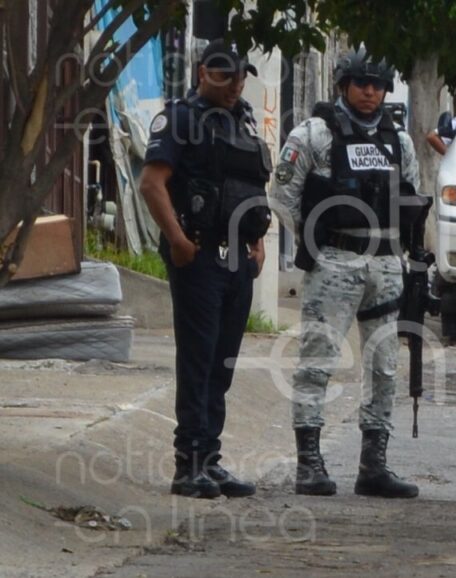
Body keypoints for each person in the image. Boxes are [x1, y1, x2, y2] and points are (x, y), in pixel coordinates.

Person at [271, 46, 421, 498]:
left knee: (385, 366)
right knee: (317, 361)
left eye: (377, 84)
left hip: (386, 261)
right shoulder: (314, 134)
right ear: (343, 85)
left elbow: (411, 197)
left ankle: (373, 465)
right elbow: (283, 197)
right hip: (336, 258)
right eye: (361, 83)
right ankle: (309, 463)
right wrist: (315, 240)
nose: (370, 92)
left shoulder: (399, 140)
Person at [139, 40, 272, 499]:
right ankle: (188, 463)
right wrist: (176, 239)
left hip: (237, 257)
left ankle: (209, 459)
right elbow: (151, 183)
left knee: (223, 362)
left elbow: (249, 185)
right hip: (197, 256)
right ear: (201, 72)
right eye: (224, 75)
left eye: (239, 76)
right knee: (198, 359)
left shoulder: (243, 120)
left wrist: (257, 242)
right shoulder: (180, 118)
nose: (234, 84)